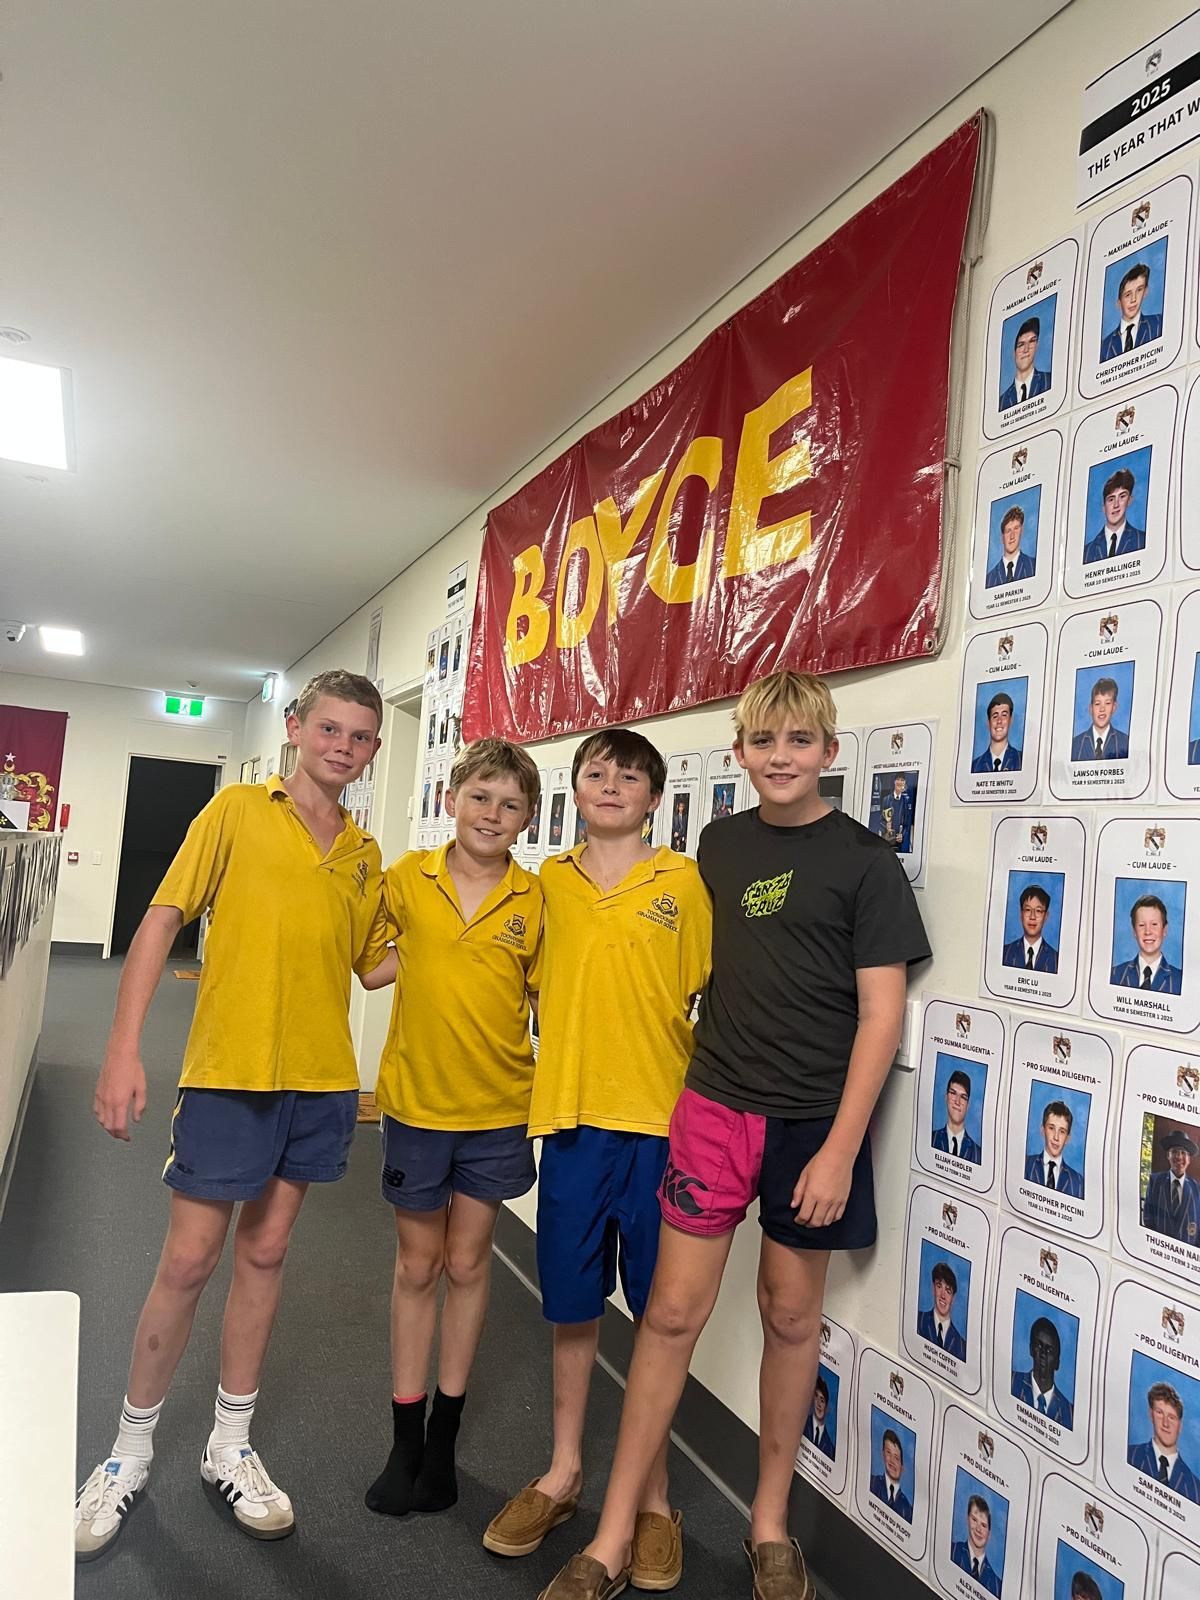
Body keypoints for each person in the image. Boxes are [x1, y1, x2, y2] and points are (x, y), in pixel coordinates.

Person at [537, 670, 931, 1600]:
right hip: (714, 1107)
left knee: (790, 1317)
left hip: (811, 1125)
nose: (780, 757)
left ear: (828, 750)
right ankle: (615, 1533)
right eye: (763, 741)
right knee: (670, 1315)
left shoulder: (867, 862)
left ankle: (769, 1523)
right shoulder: (717, 844)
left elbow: (881, 1017)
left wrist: (840, 1150)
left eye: (799, 741)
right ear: (741, 752)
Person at [74, 671, 388, 1560]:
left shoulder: (364, 853)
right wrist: (123, 1048)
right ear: (295, 727)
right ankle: (127, 1454)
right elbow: (161, 919)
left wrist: (471, 921)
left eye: (361, 736)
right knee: (187, 1260)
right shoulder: (238, 811)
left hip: (320, 1083)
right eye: (330, 728)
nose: (343, 747)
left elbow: (375, 965)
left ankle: (229, 1446)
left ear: (373, 750)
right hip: (229, 1075)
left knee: (267, 1252)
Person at [483, 728, 711, 1595]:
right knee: (573, 1306)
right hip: (573, 1122)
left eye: (630, 776)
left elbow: (704, 988)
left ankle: (654, 1497)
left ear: (655, 797)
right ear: (574, 791)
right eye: (596, 773)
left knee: (659, 1315)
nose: (611, 785)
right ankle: (565, 1470)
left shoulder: (683, 883)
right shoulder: (549, 885)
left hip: (660, 1126)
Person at [359, 739, 543, 1519]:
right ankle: (404, 1437)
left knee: (469, 1263)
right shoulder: (408, 879)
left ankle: (443, 1438)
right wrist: (414, 956)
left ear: (527, 819)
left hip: (498, 1111)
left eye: (509, 804)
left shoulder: (536, 900)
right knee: (418, 1265)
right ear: (451, 801)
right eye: (479, 797)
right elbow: (370, 966)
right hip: (418, 1107)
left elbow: (551, 1001)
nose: (491, 814)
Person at [1127, 1381, 1200, 1502]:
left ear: (1180, 1426)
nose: (1165, 1423)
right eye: (1160, 1413)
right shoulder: (1130, 1455)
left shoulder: (1195, 1488)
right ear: (1151, 1415)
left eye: (1172, 1417)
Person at [1109, 893, 1182, 993]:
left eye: (1154, 924)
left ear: (1164, 930)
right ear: (1134, 931)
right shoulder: (1115, 974)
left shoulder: (1180, 980)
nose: (1148, 931)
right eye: (1141, 925)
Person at [1011, 1316, 1074, 1427]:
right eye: (1039, 1345)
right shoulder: (1012, 1381)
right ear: (1031, 1349)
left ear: (1057, 1363)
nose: (1043, 1353)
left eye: (1049, 1350)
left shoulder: (1069, 1412)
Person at [1143, 1130, 1200, 1244]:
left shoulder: (1197, 1189)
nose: (1179, 1157)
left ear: (1189, 1159)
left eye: (1183, 1152)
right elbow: (1148, 1218)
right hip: (1159, 1249)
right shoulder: (1155, 1181)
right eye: (1174, 1152)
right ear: (1168, 1156)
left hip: (1186, 1253)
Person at [1100, 262, 1164, 363]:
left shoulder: (1158, 323)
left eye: (1139, 290)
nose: (1133, 299)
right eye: (1127, 295)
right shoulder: (1105, 346)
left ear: (1145, 292)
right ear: (1118, 303)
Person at [1083, 469, 1146, 564]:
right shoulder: (1087, 551)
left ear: (1129, 500)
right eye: (1111, 499)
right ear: (1104, 507)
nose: (1116, 505)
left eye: (1122, 496)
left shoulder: (1142, 540)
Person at [1024, 1100, 1085, 1199]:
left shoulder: (1078, 1182)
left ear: (1067, 1138)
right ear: (1043, 1130)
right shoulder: (1026, 1164)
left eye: (1062, 1131)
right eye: (1051, 1128)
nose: (1056, 1137)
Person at [951, 1494, 1003, 1595]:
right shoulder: (952, 1550)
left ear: (989, 1533)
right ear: (967, 1519)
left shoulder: (997, 1584)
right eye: (974, 1520)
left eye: (983, 1525)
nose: (978, 1529)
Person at [1001, 884, 1060, 973]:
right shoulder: (1004, 953)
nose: (1032, 917)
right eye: (1028, 910)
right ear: (1021, 914)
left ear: (1046, 916)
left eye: (1038, 911)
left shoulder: (1056, 959)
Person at [916, 1261, 968, 1361]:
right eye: (939, 1286)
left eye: (948, 1291)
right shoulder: (918, 1320)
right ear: (933, 1288)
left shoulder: (962, 1346)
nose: (943, 1296)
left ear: (953, 1298)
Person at [1070, 677, 1130, 762]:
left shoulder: (1125, 742)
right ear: (1091, 708)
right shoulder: (1075, 744)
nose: (1102, 709)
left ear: (1114, 707)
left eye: (1107, 703)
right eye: (1097, 704)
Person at [999, 315, 1052, 410]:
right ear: (1014, 353)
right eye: (1021, 345)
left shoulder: (1049, 381)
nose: (1026, 349)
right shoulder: (1002, 401)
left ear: (1037, 346)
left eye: (1031, 341)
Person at [932, 1069, 981, 1164]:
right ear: (946, 1097)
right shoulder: (931, 1139)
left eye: (963, 1097)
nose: (957, 1102)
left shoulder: (978, 1154)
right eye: (953, 1093)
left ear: (968, 1105)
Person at [971, 692, 1023, 773]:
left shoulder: (1021, 760)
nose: (999, 721)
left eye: (1004, 715)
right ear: (988, 723)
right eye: (995, 716)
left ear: (1011, 720)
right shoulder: (975, 766)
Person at [985, 506, 1036, 588]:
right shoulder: (989, 579)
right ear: (1002, 537)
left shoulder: (1034, 566)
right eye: (1008, 531)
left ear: (1021, 531)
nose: (1012, 536)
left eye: (1016, 528)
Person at [868, 1428, 912, 1522]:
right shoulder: (871, 1483)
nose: (892, 1461)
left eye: (896, 1458)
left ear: (902, 1467)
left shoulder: (908, 1509)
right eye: (888, 1453)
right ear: (883, 1454)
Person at [802, 1376, 836, 1461]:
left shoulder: (830, 1448)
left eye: (822, 1400)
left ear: (826, 1408)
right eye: (816, 1397)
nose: (818, 1404)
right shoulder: (802, 1423)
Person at [879, 772, 913, 852]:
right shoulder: (886, 799)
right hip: (888, 840)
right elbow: (881, 821)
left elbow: (907, 824)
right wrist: (886, 828)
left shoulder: (906, 801)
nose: (900, 782)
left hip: (900, 841)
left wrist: (902, 835)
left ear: (904, 783)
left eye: (902, 780)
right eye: (898, 779)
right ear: (894, 781)